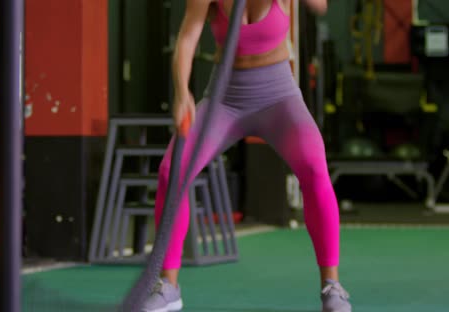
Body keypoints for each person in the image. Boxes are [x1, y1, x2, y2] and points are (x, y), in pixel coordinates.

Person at [143, 0, 353, 311]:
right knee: (171, 170)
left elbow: (320, 5)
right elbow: (187, 39)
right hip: (224, 99)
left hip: (278, 97)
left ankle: (332, 286)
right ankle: (169, 287)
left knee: (313, 166)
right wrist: (181, 92)